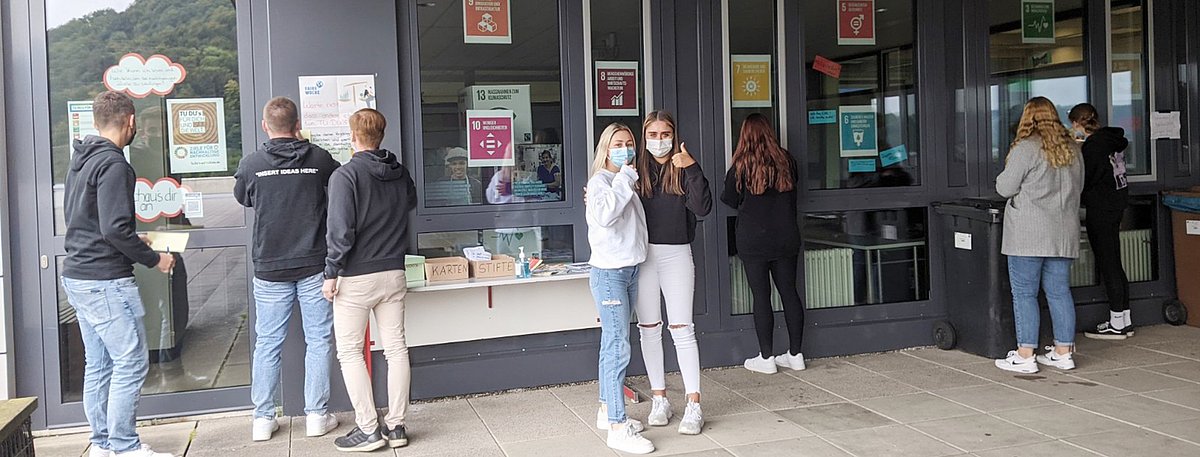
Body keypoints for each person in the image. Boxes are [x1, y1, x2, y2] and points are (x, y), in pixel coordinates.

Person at [61, 90, 177, 457]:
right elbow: (113, 228)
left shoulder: (81, 160)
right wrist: (153, 259)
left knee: (99, 364)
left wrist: (129, 238)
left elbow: (90, 221)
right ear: (130, 121)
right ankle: (125, 447)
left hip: (80, 275)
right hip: (104, 281)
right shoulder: (114, 164)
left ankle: (103, 444)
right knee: (130, 361)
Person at [233, 96, 341, 442]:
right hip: (314, 263)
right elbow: (341, 184)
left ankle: (263, 419)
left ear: (265, 126)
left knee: (267, 343)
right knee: (318, 340)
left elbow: (243, 197)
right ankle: (317, 416)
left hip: (270, 265)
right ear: (298, 125)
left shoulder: (251, 164)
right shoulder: (319, 159)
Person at [322, 109, 418, 452]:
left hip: (356, 277)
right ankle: (397, 426)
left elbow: (340, 231)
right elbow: (410, 204)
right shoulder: (399, 173)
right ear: (381, 136)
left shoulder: (345, 176)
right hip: (394, 271)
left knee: (350, 353)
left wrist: (331, 271)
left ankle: (368, 430)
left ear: (353, 136)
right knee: (396, 349)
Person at [632, 110, 711, 435]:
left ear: (674, 135)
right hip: (643, 257)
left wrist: (691, 167)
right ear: (644, 137)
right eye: (653, 135)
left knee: (682, 329)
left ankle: (694, 403)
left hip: (677, 254)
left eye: (665, 134)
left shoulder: (683, 166)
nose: (659, 140)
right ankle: (659, 398)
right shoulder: (635, 170)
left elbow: (703, 207)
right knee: (649, 329)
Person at [994, 96, 1084, 374]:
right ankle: (1063, 353)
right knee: (1059, 292)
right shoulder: (1072, 148)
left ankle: (1025, 356)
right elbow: (1079, 186)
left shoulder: (1026, 148)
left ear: (1027, 118)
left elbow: (1005, 188)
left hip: (1028, 234)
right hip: (1063, 233)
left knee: (1024, 293)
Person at [586, 123, 654, 454]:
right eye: (617, 143)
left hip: (628, 270)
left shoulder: (623, 180)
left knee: (611, 344)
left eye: (629, 143)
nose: (625, 148)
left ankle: (606, 409)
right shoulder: (601, 181)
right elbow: (605, 216)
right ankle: (617, 425)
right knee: (617, 348)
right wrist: (625, 179)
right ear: (605, 148)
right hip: (610, 273)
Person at [720, 113, 806, 375]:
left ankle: (766, 358)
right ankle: (795, 355)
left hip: (754, 240)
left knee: (761, 297)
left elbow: (729, 199)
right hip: (786, 237)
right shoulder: (786, 161)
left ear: (744, 135)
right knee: (789, 293)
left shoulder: (741, 166)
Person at [1069, 103, 1134, 340]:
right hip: (1116, 204)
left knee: (1108, 263)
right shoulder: (1111, 141)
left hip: (1101, 208)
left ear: (1077, 123)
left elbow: (1085, 179)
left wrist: (1079, 149)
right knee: (1114, 261)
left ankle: (1116, 323)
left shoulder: (1093, 147)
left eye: (1072, 124)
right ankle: (1124, 318)